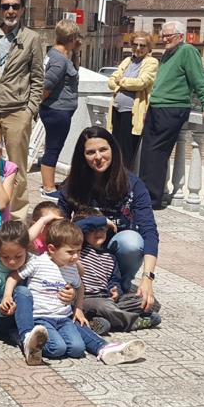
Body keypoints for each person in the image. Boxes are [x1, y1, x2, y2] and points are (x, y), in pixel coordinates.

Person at [3, 220, 145, 364]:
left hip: (63, 318)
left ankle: (106, 350)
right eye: (70, 252)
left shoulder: (71, 267)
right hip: (41, 318)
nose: (76, 256)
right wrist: (8, 295)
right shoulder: (38, 262)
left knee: (77, 349)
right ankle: (25, 341)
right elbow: (14, 276)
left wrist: (78, 308)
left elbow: (80, 286)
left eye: (78, 251)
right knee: (57, 348)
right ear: (52, 249)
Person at [59, 126, 162, 313]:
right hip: (82, 259)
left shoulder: (134, 185)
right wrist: (98, 222)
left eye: (103, 150)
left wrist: (147, 279)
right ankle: (104, 303)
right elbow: (59, 229)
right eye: (90, 152)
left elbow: (149, 232)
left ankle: (120, 289)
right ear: (82, 156)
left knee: (132, 241)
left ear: (113, 150)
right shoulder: (72, 185)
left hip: (115, 257)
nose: (97, 157)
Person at [0, 0, 45, 216]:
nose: (10, 11)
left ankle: (15, 218)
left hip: (17, 112)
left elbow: (37, 78)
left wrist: (29, 111)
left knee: (17, 168)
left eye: (15, 6)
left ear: (22, 9)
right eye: (6, 6)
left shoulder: (32, 39)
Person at [139, 20, 204, 209]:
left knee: (156, 153)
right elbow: (162, 82)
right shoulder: (167, 53)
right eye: (163, 35)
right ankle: (144, 196)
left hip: (172, 108)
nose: (164, 39)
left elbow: (199, 79)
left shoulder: (187, 51)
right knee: (148, 153)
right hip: (157, 107)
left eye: (169, 36)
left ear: (180, 36)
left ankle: (152, 199)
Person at [75, 214, 160, 332]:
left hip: (107, 298)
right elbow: (74, 228)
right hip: (86, 299)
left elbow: (114, 280)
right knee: (104, 307)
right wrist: (103, 220)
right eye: (92, 230)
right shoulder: (78, 250)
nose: (98, 233)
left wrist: (115, 290)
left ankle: (99, 321)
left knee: (150, 303)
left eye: (102, 229)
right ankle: (135, 322)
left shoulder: (110, 257)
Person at [0, 220, 48, 363]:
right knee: (22, 291)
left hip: (30, 313)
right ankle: (26, 339)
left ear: (27, 249)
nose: (12, 262)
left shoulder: (34, 261)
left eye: (18, 256)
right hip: (2, 317)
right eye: (5, 257)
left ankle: (20, 335)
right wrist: (0, 309)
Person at [39, 20, 82, 200]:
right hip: (57, 111)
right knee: (53, 148)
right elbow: (46, 86)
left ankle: (48, 183)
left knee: (53, 146)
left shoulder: (56, 54)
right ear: (72, 38)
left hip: (57, 110)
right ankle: (49, 188)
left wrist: (75, 52)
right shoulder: (59, 61)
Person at [107, 32, 158, 172]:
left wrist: (121, 81)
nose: (138, 48)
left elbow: (142, 82)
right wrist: (121, 82)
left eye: (142, 45)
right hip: (116, 109)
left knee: (127, 152)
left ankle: (125, 184)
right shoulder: (127, 61)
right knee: (115, 148)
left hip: (132, 113)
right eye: (135, 44)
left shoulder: (151, 62)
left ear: (149, 48)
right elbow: (111, 81)